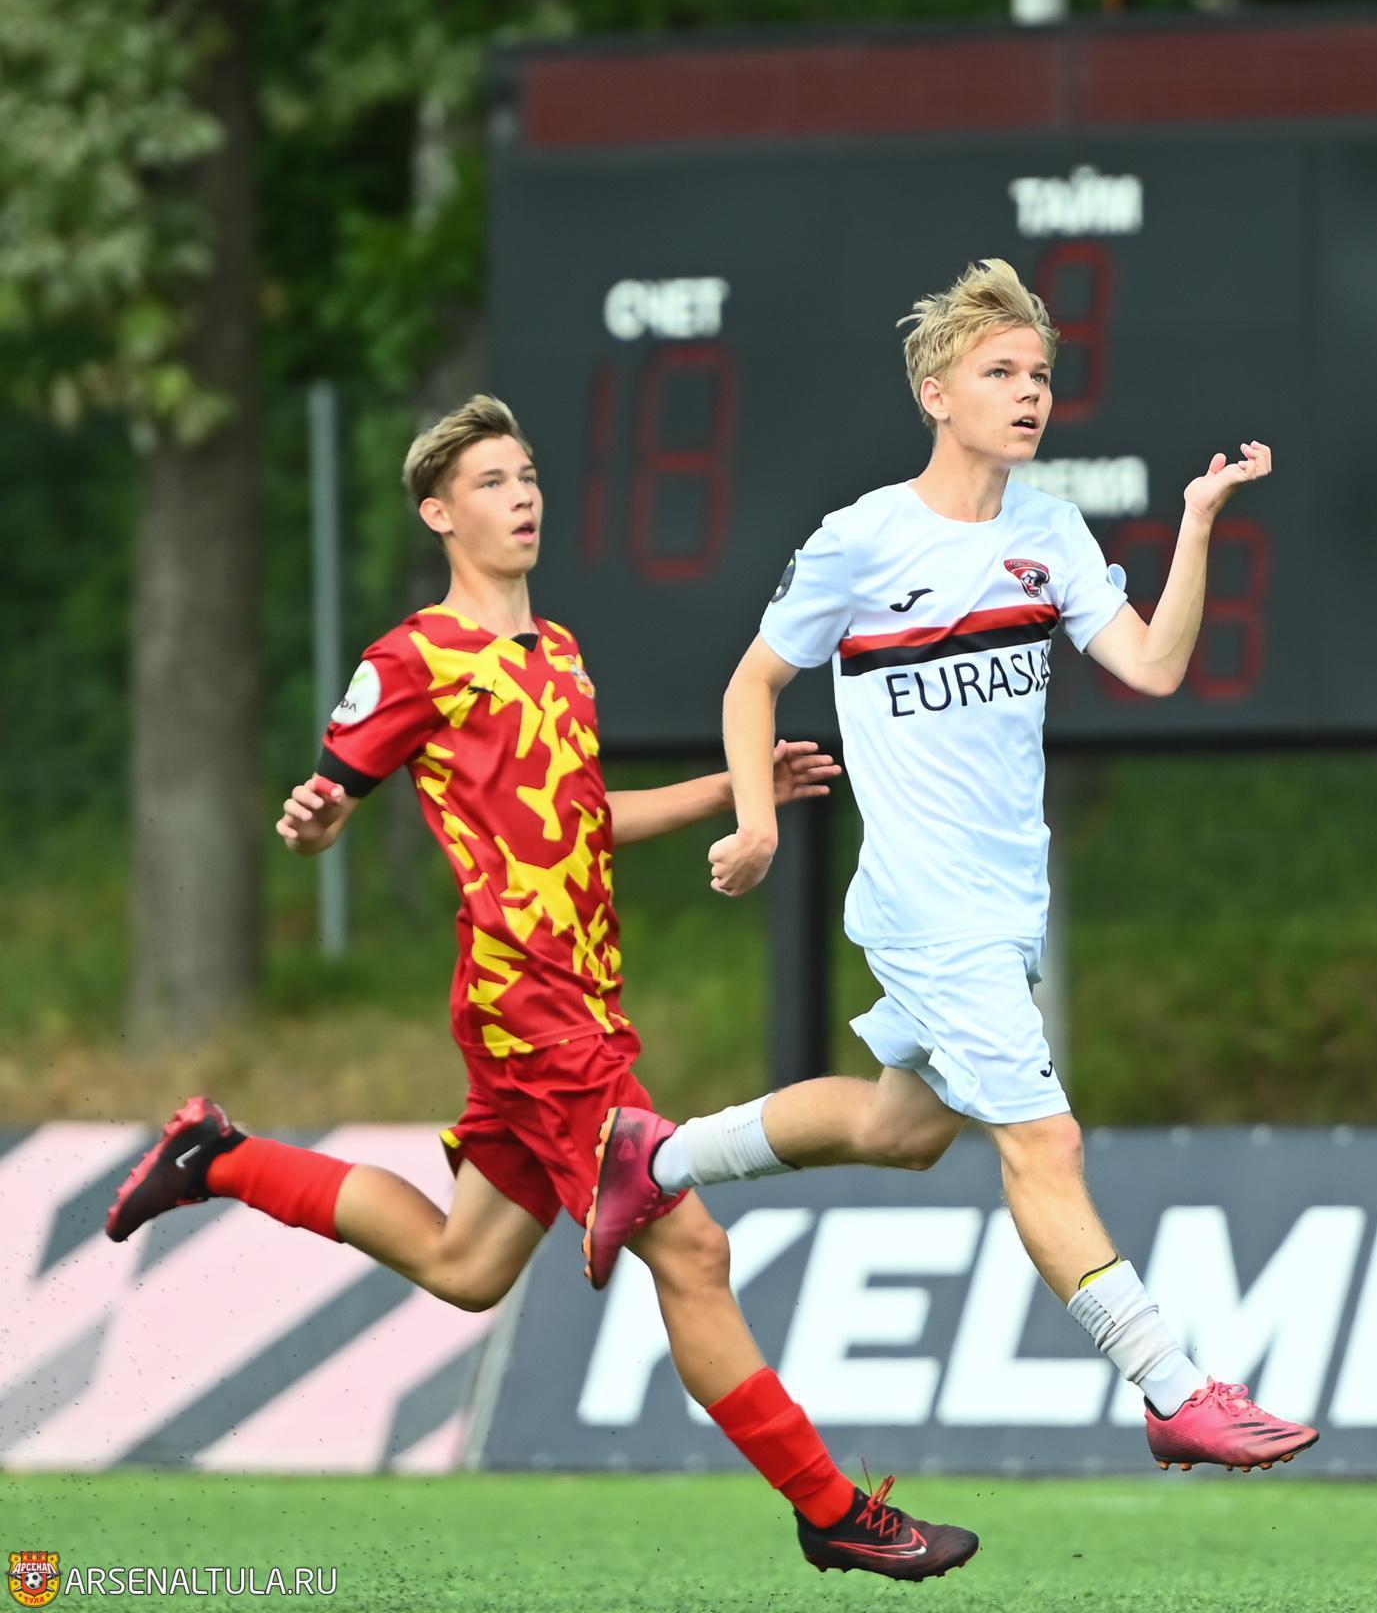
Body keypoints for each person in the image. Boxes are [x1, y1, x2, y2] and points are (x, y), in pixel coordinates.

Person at [105, 393, 979, 1581]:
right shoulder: (413, 657)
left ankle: (218, 1153)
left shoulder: (557, 651)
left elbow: (581, 816)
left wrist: (732, 789)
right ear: (438, 512)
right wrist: (314, 826)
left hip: (572, 998)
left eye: (526, 476)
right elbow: (327, 805)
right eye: (492, 482)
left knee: (466, 1266)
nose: (522, 496)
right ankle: (832, 1510)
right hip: (531, 1005)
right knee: (694, 1251)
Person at [586, 263, 1319, 1476]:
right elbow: (752, 683)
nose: (1030, 393)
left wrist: (1196, 524)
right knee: (1047, 1141)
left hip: (1004, 902)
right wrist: (757, 822)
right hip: (928, 910)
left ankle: (650, 1156)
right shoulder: (861, 539)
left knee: (901, 1126)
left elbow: (1153, 666)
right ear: (936, 393)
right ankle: (1173, 1386)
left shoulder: (1051, 533)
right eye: (1000, 372)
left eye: (1041, 374)